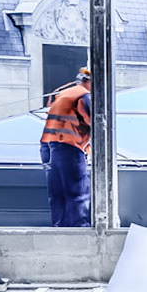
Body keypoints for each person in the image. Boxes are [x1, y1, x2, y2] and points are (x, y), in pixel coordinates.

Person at [40, 67, 95, 227]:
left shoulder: (65, 93)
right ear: (91, 82)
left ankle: (60, 227)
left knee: (58, 192)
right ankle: (79, 229)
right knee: (77, 190)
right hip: (67, 147)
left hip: (48, 146)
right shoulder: (84, 96)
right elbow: (96, 123)